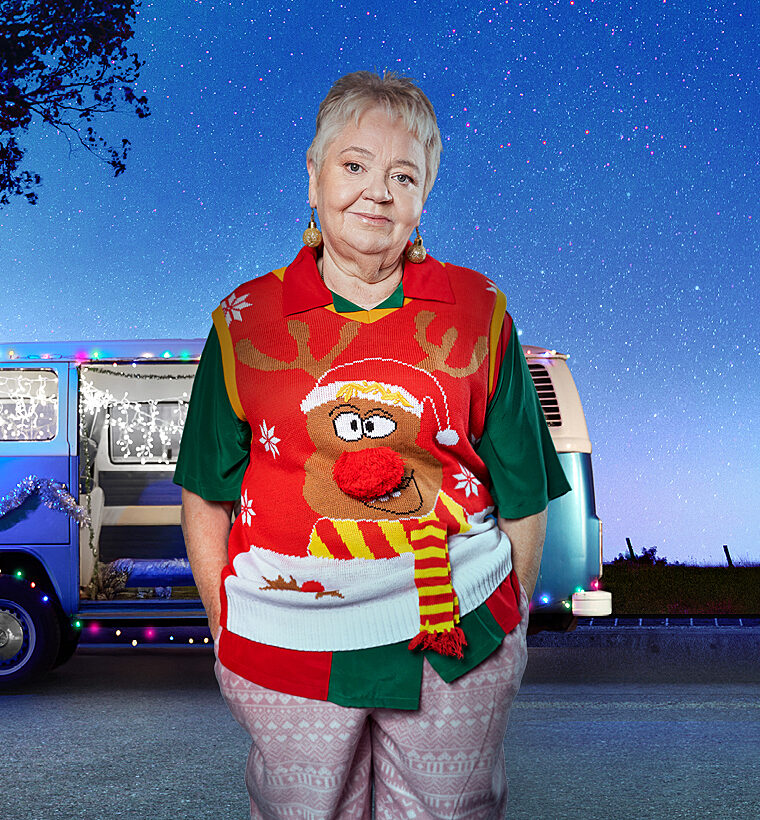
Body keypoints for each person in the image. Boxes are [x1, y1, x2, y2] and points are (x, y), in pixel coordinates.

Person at [174, 70, 570, 820]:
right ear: (314, 176)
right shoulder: (242, 319)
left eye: (403, 175)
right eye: (354, 165)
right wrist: (224, 628)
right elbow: (206, 489)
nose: (376, 192)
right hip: (286, 640)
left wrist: (509, 623)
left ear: (423, 198)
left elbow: (522, 485)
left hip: (456, 637)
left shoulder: (481, 311)